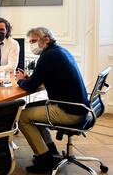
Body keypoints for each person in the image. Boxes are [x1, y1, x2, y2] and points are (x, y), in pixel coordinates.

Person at [16, 27, 90, 173]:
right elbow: (42, 78)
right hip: (80, 108)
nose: (31, 45)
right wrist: (28, 79)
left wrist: (20, 81)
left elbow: (30, 87)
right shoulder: (60, 51)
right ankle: (51, 151)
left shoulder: (47, 56)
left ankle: (45, 160)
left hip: (68, 111)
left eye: (34, 41)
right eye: (30, 41)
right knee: (31, 107)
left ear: (46, 40)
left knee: (23, 117)